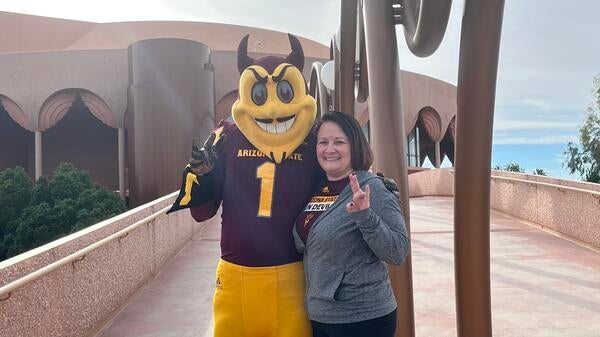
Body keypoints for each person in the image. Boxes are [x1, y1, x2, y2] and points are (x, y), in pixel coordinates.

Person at [168, 34, 319, 337]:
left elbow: (337, 189)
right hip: (237, 274)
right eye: (262, 94)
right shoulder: (225, 138)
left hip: (292, 275)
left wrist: (372, 186)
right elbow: (202, 212)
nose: (274, 109)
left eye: (285, 91)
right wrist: (204, 176)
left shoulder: (312, 141)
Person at [293, 111, 410, 337]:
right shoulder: (317, 188)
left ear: (354, 145)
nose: (329, 149)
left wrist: (365, 216)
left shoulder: (373, 187)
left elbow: (397, 251)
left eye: (339, 142)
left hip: (364, 318)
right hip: (321, 315)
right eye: (323, 142)